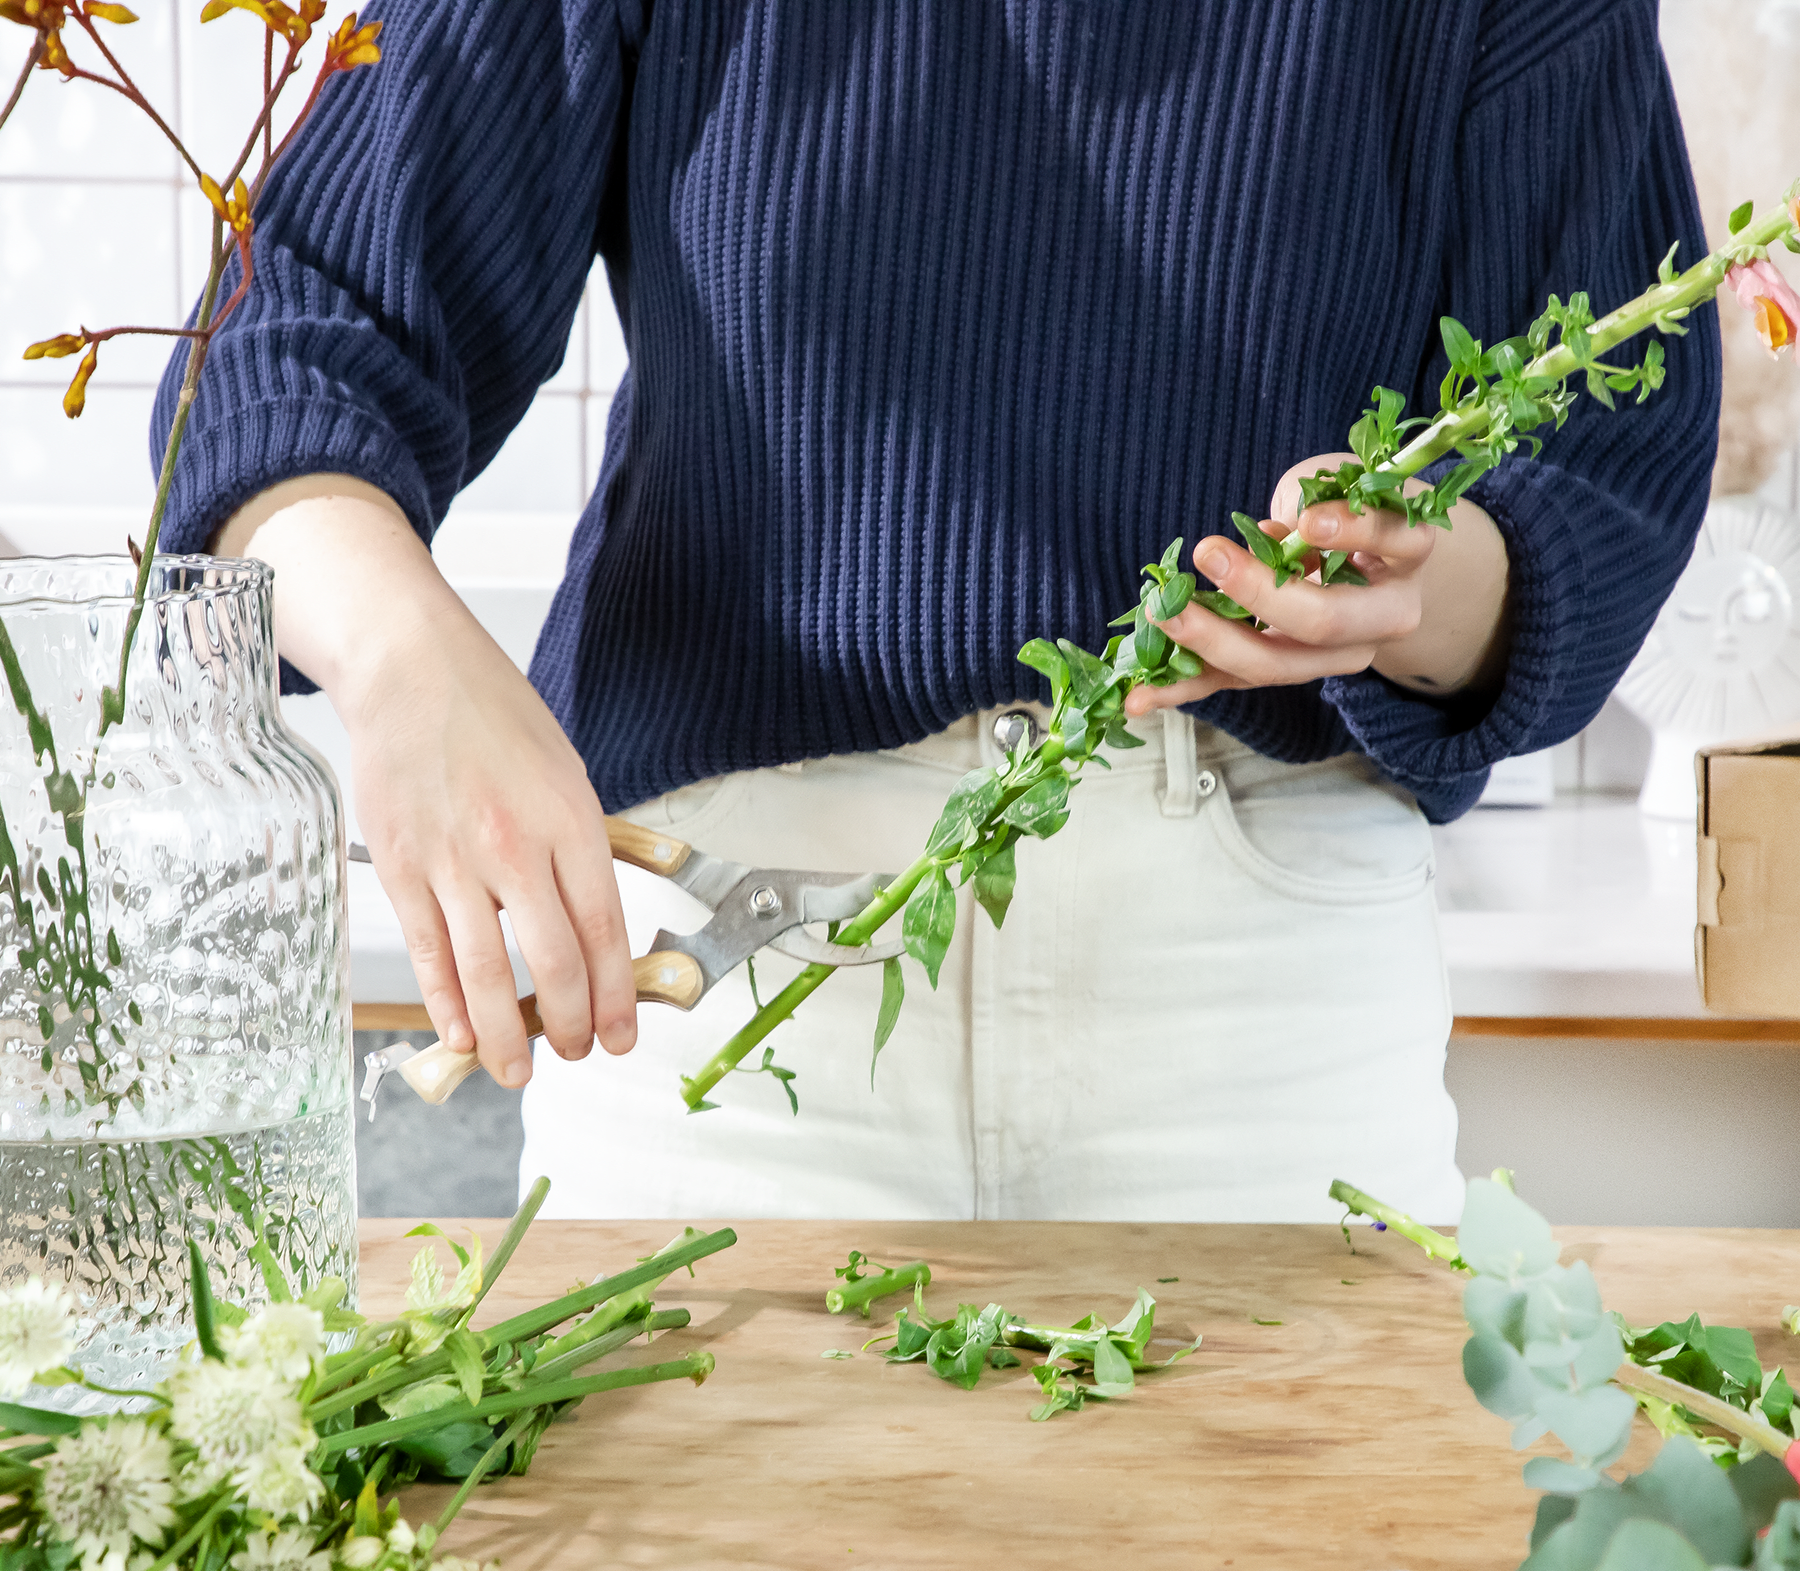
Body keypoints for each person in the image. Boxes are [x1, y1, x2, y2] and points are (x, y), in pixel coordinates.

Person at [155, 1, 1720, 1223]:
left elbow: (1612, 465)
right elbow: (288, 335)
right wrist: (401, 654)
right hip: (737, 985)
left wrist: (1438, 590)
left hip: (1257, 1006)